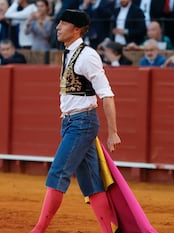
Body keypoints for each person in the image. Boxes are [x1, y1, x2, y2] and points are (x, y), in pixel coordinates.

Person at [30, 9, 121, 233]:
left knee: (58, 172)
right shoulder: (69, 53)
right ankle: (107, 231)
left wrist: (113, 132)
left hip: (82, 123)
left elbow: (106, 94)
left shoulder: (87, 55)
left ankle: (39, 229)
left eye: (63, 24)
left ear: (76, 29)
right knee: (91, 182)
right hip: (72, 122)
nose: (58, 27)